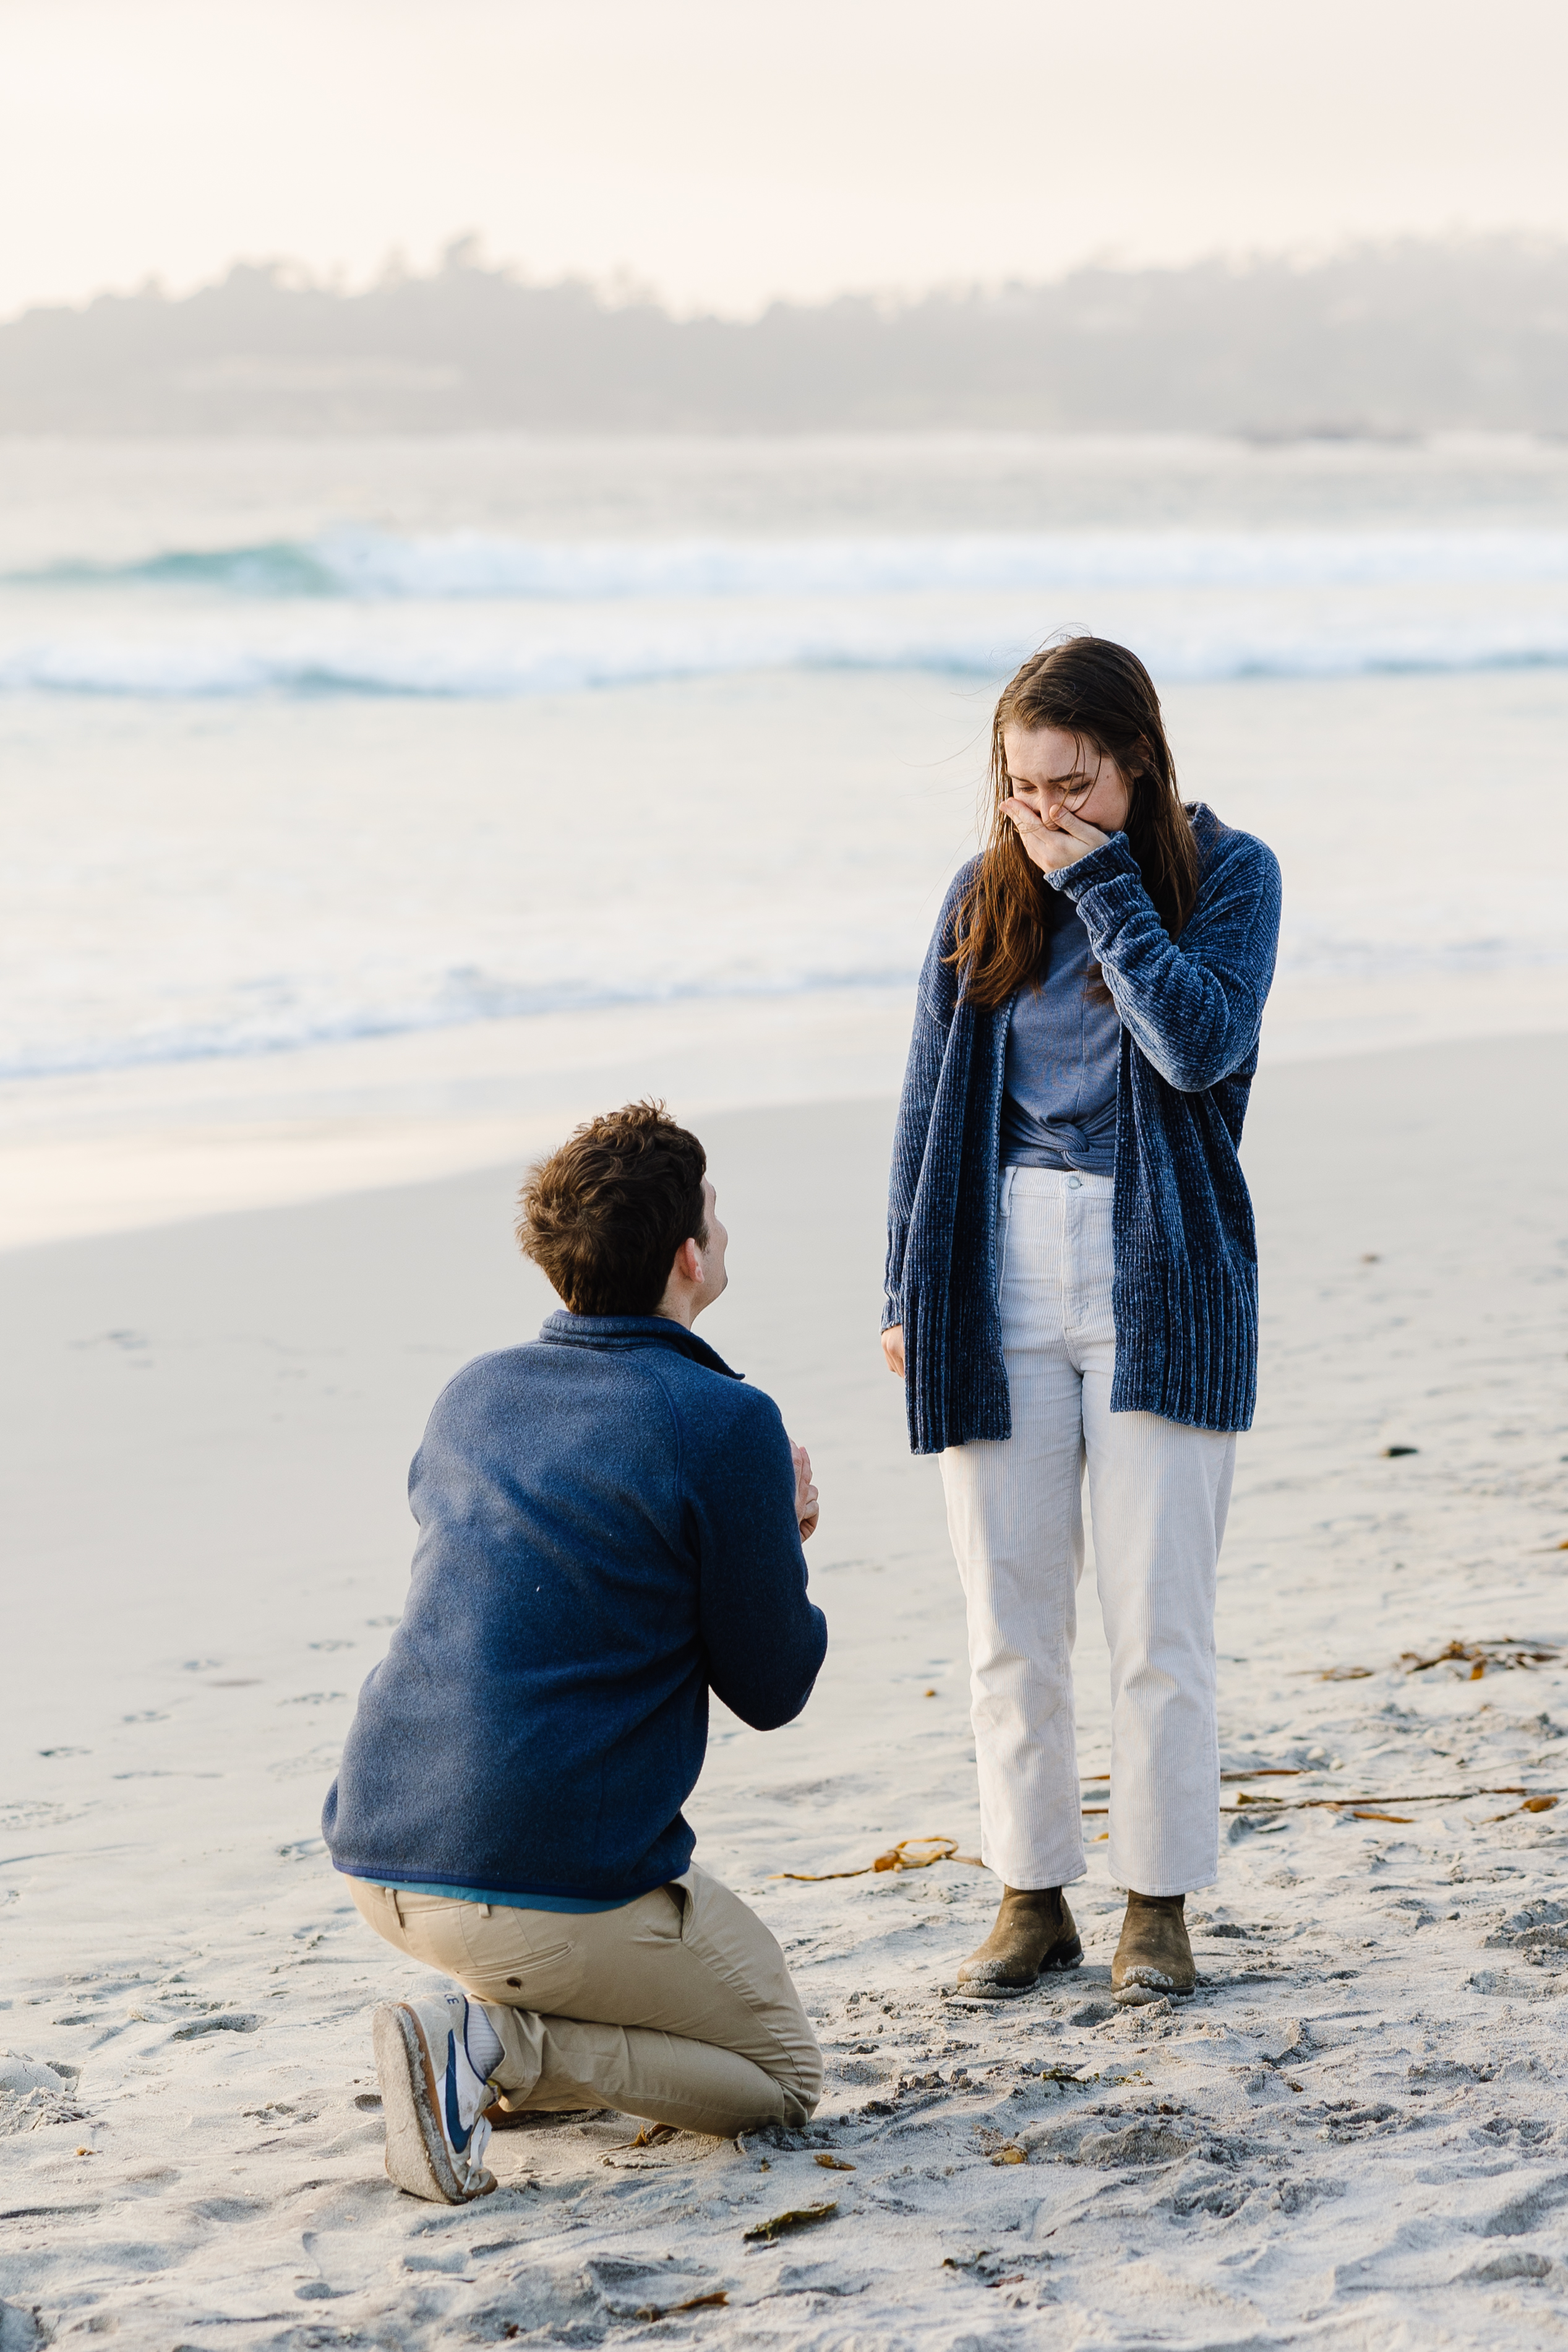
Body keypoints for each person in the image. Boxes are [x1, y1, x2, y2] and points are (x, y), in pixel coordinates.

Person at [323, 1101, 827, 2203]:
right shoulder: (723, 1418)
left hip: (383, 1850)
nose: (724, 1229)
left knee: (628, 1966)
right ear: (689, 1256)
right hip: (532, 1878)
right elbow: (775, 1685)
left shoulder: (476, 1390)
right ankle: (496, 2047)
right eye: (715, 1209)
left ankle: (470, 2038)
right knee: (781, 2073)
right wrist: (776, 1537)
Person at [881, 637, 1281, 2003]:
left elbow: (1194, 1044)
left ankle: (1154, 1905)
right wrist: (902, 1289)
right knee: (1007, 1612)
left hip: (1156, 1270)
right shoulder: (977, 893)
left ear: (1137, 764)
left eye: (1072, 784)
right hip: (992, 1264)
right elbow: (929, 1104)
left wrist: (1099, 884)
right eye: (1018, 786)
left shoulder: (1228, 876)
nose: (1042, 812)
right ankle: (1029, 1892)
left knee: (1156, 1616)